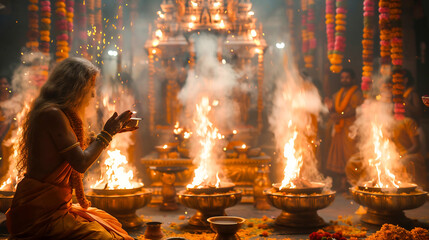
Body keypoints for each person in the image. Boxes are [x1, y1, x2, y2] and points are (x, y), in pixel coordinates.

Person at [6, 58, 137, 239]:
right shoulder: (52, 114)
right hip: (42, 215)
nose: (92, 96)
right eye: (90, 89)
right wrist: (106, 134)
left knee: (109, 224)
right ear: (75, 88)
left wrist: (112, 132)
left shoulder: (57, 112)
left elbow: (73, 150)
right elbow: (80, 162)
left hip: (56, 208)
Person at [324, 69, 364, 191]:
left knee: (350, 154)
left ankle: (353, 183)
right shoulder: (337, 94)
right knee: (339, 155)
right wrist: (330, 109)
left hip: (351, 128)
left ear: (352, 79)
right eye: (342, 77)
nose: (344, 80)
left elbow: (356, 110)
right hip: (339, 129)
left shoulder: (357, 94)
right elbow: (335, 111)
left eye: (347, 77)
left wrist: (339, 116)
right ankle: (342, 184)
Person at [0, 76, 12, 176]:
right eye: (1, 84)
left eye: (5, 83)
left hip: (11, 134)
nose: (3, 86)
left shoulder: (14, 99)